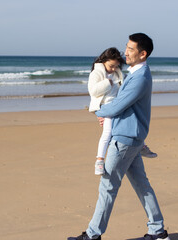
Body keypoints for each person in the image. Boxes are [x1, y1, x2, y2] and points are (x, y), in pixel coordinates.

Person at [68, 33, 170, 240]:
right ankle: (158, 231)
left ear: (143, 54)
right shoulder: (135, 73)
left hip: (125, 138)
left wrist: (98, 111)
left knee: (108, 186)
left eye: (131, 49)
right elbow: (119, 103)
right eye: (127, 47)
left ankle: (93, 234)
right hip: (131, 137)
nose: (126, 53)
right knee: (142, 185)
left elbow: (118, 105)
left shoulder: (140, 78)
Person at [88, 48, 157, 175]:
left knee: (130, 121)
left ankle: (141, 145)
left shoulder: (117, 73)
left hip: (117, 104)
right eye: (111, 66)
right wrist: (107, 83)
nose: (113, 69)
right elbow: (93, 91)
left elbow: (127, 83)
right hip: (106, 107)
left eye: (116, 66)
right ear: (103, 61)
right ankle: (99, 160)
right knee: (108, 132)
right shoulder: (96, 74)